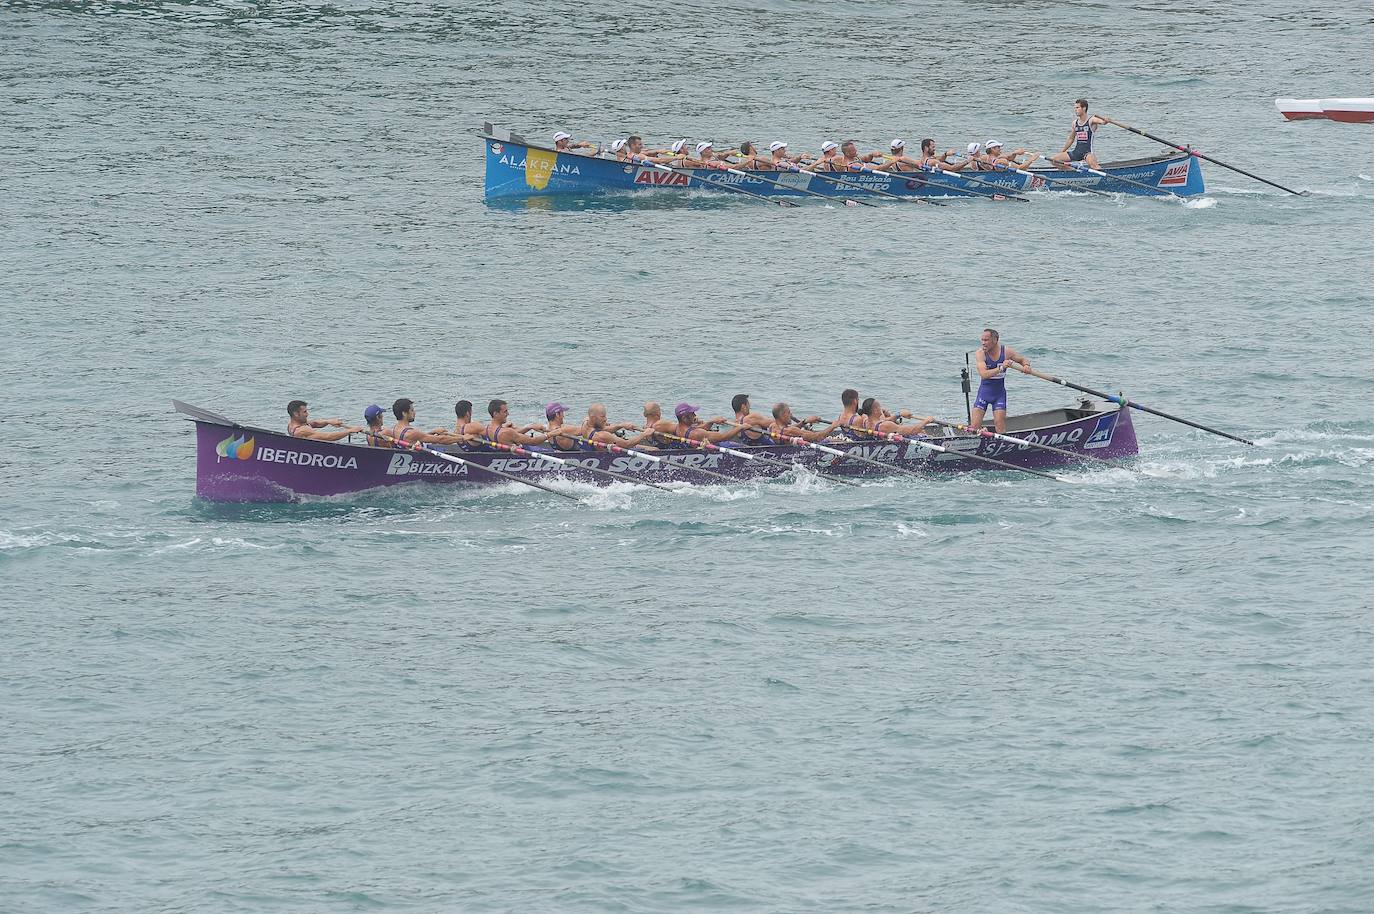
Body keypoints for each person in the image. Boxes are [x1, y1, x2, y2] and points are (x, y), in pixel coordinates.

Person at [970, 328, 1031, 434]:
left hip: (999, 395)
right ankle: (980, 435)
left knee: (1000, 425)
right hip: (984, 394)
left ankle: (1001, 445)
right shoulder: (980, 354)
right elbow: (984, 374)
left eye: (986, 340)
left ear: (995, 340)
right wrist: (1001, 368)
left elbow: (1022, 359)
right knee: (974, 427)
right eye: (982, 340)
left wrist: (1026, 366)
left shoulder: (1006, 352)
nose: (983, 343)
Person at [648, 403, 744, 445]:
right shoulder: (697, 433)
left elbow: (696, 429)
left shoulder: (676, 428)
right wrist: (741, 427)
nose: (695, 415)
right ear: (684, 418)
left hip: (691, 443)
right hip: (717, 446)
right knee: (736, 445)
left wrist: (711, 422)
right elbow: (723, 436)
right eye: (692, 414)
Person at [1050, 98, 1108, 169]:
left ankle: (1105, 177)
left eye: (1077, 108)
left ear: (1084, 108)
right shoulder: (1075, 123)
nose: (1075, 110)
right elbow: (1071, 139)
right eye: (1075, 108)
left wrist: (1105, 121)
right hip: (1076, 152)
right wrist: (1063, 151)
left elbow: (1102, 122)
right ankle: (1072, 172)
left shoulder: (1091, 120)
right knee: (1053, 160)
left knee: (1094, 166)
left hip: (1087, 153)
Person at [390, 399, 461, 447]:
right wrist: (463, 438)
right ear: (404, 413)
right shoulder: (411, 433)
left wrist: (432, 432)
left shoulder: (395, 428)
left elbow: (415, 438)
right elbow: (441, 440)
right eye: (412, 410)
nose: (414, 412)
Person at [854, 397, 935, 437]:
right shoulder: (885, 425)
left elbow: (882, 419)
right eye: (879, 407)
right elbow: (912, 430)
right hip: (901, 440)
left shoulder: (865, 420)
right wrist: (926, 421)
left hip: (881, 439)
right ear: (875, 411)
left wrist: (899, 414)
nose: (881, 409)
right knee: (921, 431)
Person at [484, 399, 548, 447]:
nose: (508, 414)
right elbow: (534, 441)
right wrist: (551, 434)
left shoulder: (488, 428)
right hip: (527, 454)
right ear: (496, 414)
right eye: (505, 411)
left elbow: (513, 435)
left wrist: (529, 426)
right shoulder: (505, 432)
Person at [585, 403, 655, 448]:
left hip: (605, 449)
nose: (605, 419)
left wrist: (620, 425)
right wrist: (644, 434)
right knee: (654, 449)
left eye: (605, 416)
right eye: (602, 416)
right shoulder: (602, 435)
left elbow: (605, 429)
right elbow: (627, 444)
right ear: (593, 418)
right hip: (617, 456)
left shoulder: (585, 423)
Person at [285, 400, 360, 441]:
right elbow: (329, 437)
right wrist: (349, 431)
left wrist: (328, 421)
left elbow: (315, 423)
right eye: (304, 412)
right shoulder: (301, 431)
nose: (307, 414)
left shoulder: (291, 424)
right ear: (296, 414)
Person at [768, 403, 839, 442]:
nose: (791, 415)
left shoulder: (773, 426)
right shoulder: (791, 431)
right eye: (789, 412)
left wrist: (805, 422)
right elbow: (817, 437)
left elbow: (788, 430)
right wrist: (832, 426)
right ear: (782, 416)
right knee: (834, 440)